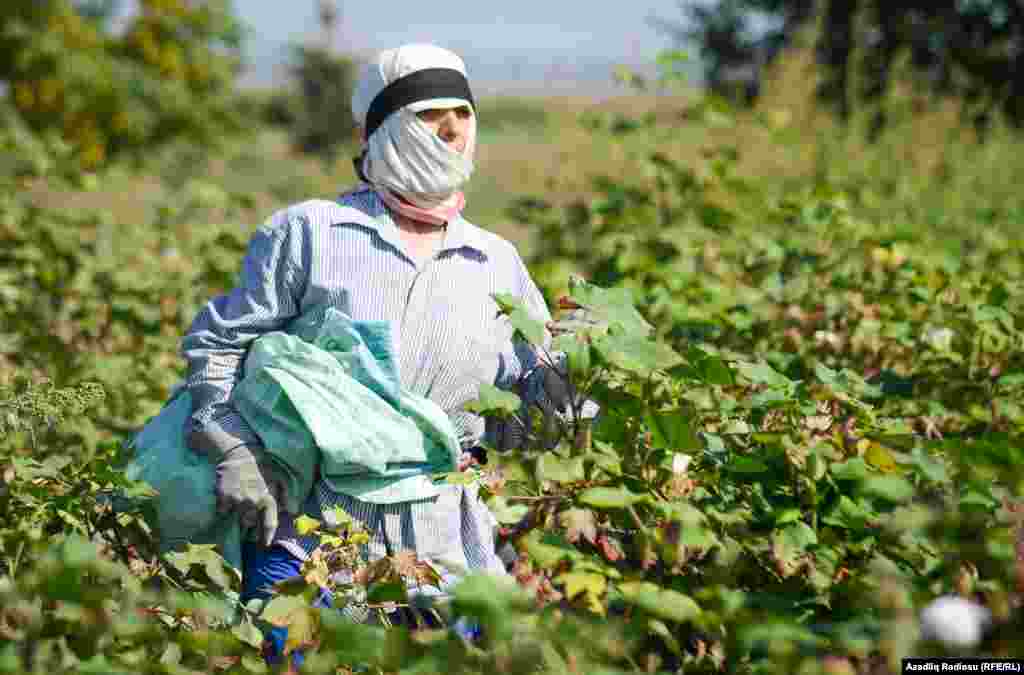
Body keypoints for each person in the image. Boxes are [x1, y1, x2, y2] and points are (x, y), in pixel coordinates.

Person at [180, 43, 570, 664]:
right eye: (428, 114)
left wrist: (563, 399)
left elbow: (530, 410)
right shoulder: (310, 232)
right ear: (381, 130)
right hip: (312, 540)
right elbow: (219, 345)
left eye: (462, 113)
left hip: (446, 549)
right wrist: (233, 447)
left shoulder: (494, 259)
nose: (450, 128)